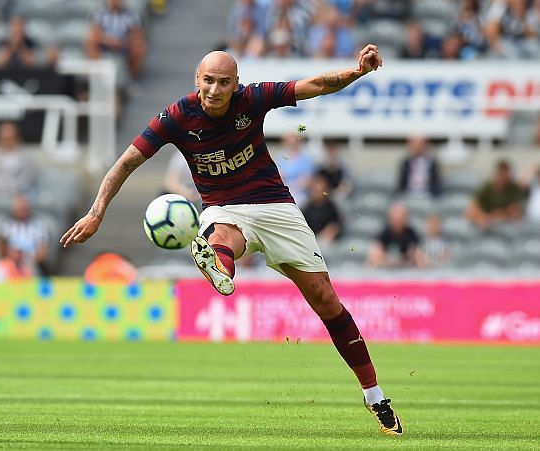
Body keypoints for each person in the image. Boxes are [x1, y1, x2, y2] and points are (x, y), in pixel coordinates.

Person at [61, 46, 404, 436]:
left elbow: (314, 85)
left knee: (326, 300)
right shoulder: (176, 116)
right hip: (223, 208)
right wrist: (96, 211)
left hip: (275, 206)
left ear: (235, 84)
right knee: (221, 235)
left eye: (224, 82)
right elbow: (126, 162)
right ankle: (218, 263)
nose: (215, 89)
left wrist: (355, 73)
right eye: (208, 80)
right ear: (197, 80)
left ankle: (374, 396)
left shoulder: (252, 98)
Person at [85, 0, 146, 79]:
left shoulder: (132, 14)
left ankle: (131, 77)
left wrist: (122, 42)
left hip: (124, 44)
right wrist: (109, 40)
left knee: (139, 45)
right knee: (90, 42)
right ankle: (95, 77)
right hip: (104, 43)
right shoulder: (99, 12)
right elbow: (95, 32)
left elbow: (137, 34)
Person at [465, 159, 524, 229]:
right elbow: (474, 205)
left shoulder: (513, 188)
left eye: (506, 173)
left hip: (505, 218)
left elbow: (515, 208)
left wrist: (501, 214)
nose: (504, 176)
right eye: (502, 173)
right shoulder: (487, 186)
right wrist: (483, 216)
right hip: (486, 216)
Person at [0, 196, 50, 277]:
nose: (21, 212)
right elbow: (2, 245)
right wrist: (12, 256)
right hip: (12, 262)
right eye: (19, 209)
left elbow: (43, 248)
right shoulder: (8, 225)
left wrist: (33, 259)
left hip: (32, 263)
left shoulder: (38, 225)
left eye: (23, 209)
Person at [367, 203, 425, 268]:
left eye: (400, 217)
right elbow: (376, 250)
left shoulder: (411, 233)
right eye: (395, 217)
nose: (397, 221)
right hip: (386, 266)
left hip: (407, 267)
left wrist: (413, 255)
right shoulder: (384, 232)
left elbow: (417, 252)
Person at [0, 122, 37, 199]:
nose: (7, 142)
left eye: (10, 138)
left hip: (20, 199)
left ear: (17, 138)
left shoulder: (26, 158)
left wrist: (14, 194)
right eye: (4, 138)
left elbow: (27, 179)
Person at [302, 171, 344, 244]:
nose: (315, 190)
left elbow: (335, 226)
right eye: (314, 189)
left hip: (325, 242)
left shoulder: (330, 207)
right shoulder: (307, 207)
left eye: (319, 188)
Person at [277, 132, 315, 208]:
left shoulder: (306, 158)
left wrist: (294, 188)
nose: (292, 144)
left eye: (294, 142)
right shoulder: (281, 157)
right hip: (284, 192)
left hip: (301, 193)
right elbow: (279, 176)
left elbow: (307, 179)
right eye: (289, 142)